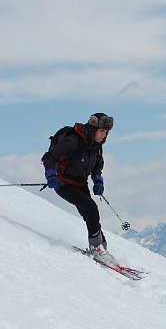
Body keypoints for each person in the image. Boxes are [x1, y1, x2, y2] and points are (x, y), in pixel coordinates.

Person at [42, 112, 116, 264]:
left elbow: (97, 167)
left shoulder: (96, 147)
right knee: (91, 208)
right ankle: (97, 248)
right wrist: (51, 175)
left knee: (89, 213)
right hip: (63, 184)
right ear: (93, 128)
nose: (104, 135)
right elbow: (49, 157)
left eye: (106, 132)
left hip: (80, 184)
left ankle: (101, 246)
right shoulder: (74, 141)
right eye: (102, 131)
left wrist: (98, 181)